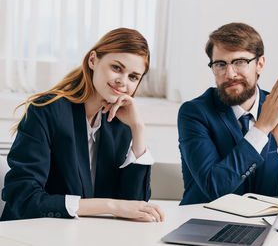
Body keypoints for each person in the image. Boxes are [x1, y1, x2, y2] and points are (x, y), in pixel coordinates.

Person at [1, 28, 164, 222]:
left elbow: (135, 207)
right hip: (33, 234)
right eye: (117, 68)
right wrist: (111, 205)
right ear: (93, 60)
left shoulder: (120, 123)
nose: (122, 82)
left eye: (133, 77)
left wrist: (138, 129)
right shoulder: (46, 111)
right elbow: (24, 199)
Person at [178, 22, 278, 205]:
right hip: (205, 224)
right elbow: (215, 187)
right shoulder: (195, 113)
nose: (230, 74)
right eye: (220, 64)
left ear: (260, 64)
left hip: (262, 226)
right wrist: (261, 128)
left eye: (240, 62)